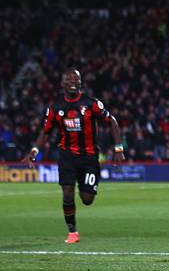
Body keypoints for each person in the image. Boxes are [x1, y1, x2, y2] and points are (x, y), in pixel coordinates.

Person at [22, 68, 125, 244]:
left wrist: (119, 148)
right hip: (67, 155)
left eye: (76, 79)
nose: (73, 82)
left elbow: (112, 121)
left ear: (80, 83)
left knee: (87, 199)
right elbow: (45, 132)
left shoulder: (91, 104)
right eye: (69, 79)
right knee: (67, 193)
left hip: (89, 156)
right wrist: (35, 150)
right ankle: (72, 232)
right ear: (63, 83)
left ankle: (85, 186)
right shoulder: (55, 108)